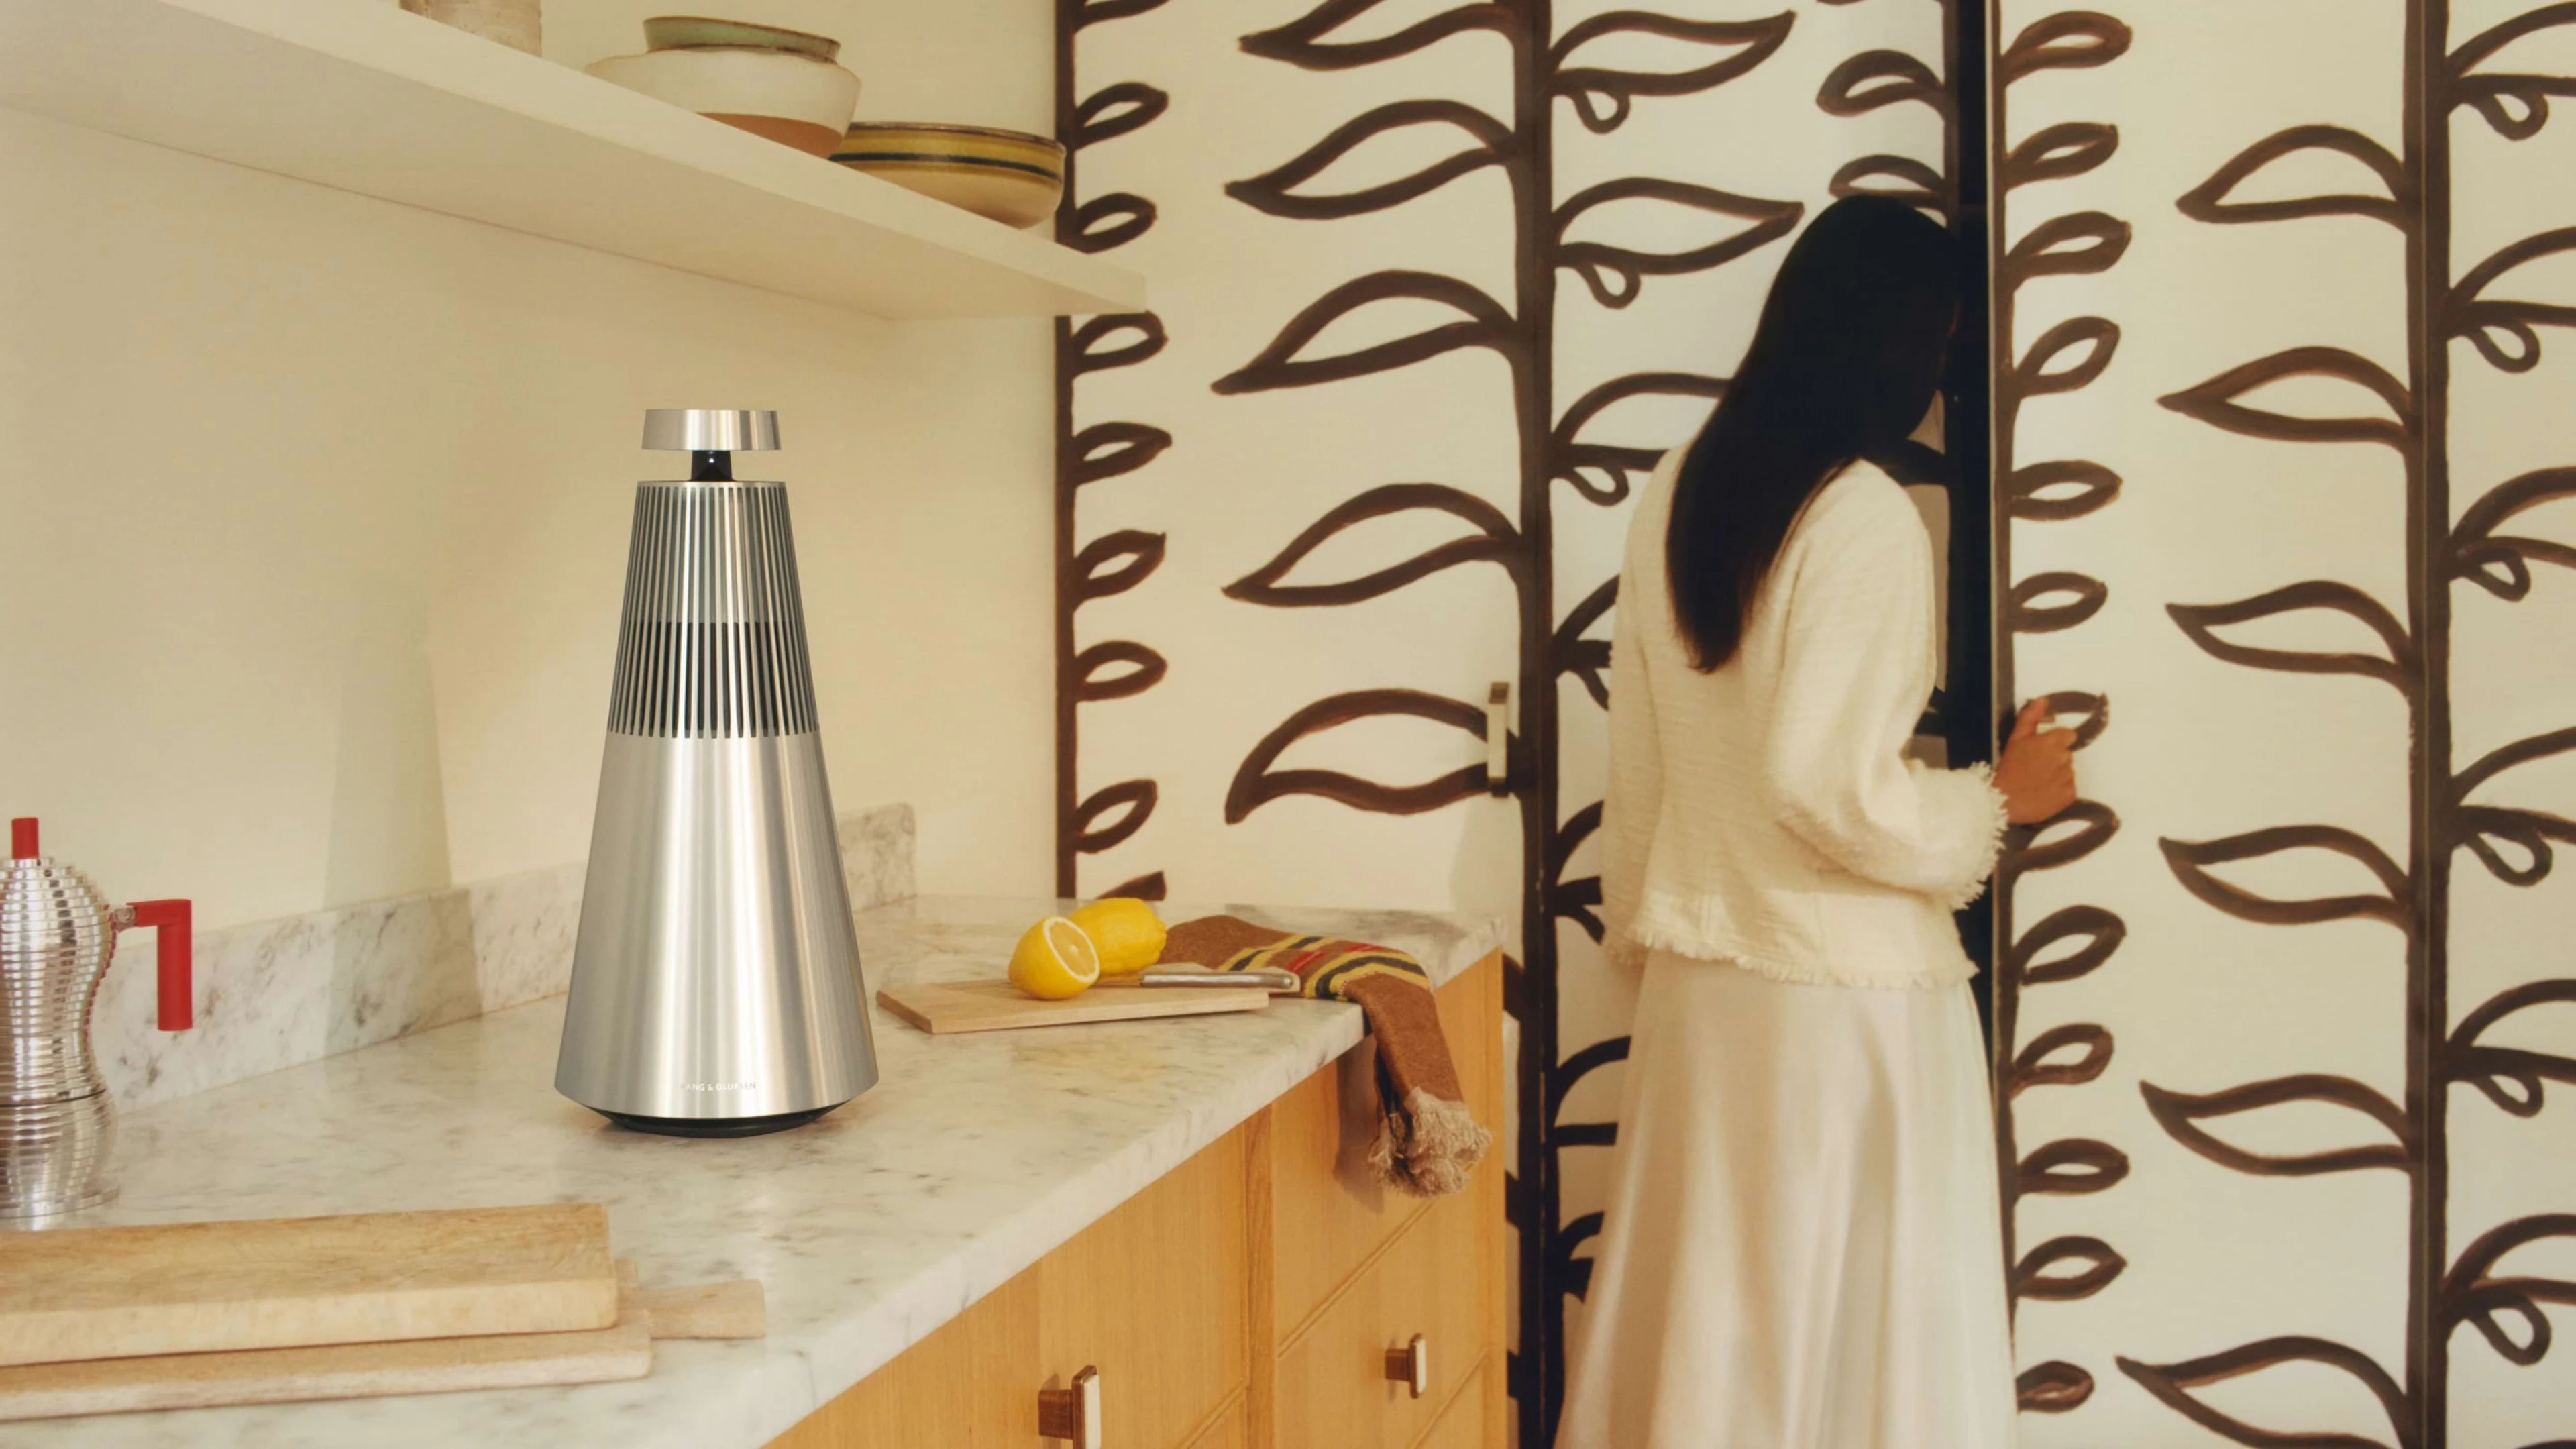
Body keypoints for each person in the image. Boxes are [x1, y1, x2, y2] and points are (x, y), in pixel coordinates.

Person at [1556, 195, 2078, 1448]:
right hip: (1842, 1001)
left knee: (1714, 1334)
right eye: (1944, 343)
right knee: (1865, 1351)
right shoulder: (1861, 515)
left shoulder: (1679, 489)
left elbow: (1642, 765)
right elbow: (1822, 783)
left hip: (1707, 992)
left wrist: (1650, 935)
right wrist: (1999, 803)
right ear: (1898, 340)